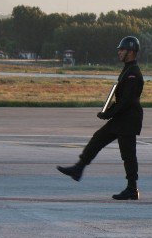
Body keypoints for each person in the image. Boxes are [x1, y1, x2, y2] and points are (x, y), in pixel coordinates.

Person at [57, 36, 144, 200]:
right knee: (98, 138)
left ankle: (132, 189)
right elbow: (122, 100)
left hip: (128, 120)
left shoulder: (133, 73)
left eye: (122, 49)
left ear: (131, 52)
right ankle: (79, 168)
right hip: (122, 118)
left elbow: (126, 101)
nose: (119, 52)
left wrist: (108, 113)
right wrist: (108, 112)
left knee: (128, 155)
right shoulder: (127, 69)